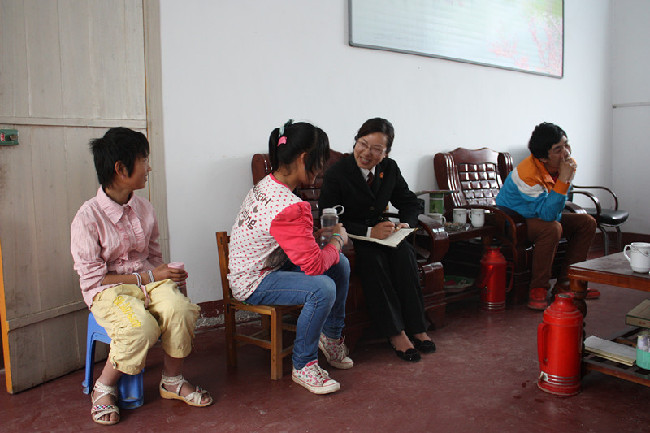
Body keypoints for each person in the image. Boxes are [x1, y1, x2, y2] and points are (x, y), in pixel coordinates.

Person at [71, 128, 212, 426]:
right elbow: (94, 280)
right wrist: (147, 278)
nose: (148, 167)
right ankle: (104, 387)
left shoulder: (144, 208)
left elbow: (155, 258)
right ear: (121, 169)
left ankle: (172, 380)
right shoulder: (87, 218)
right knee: (140, 327)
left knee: (180, 309)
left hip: (148, 282)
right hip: (108, 290)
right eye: (143, 160)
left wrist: (169, 278)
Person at [228, 120, 352, 395]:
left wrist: (313, 237)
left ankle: (330, 337)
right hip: (253, 281)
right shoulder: (290, 205)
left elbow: (280, 236)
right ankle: (304, 364)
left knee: (340, 264)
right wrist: (337, 239)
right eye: (320, 161)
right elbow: (314, 265)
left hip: (268, 266)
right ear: (304, 158)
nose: (321, 169)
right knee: (322, 287)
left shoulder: (269, 183)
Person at [319, 118, 435, 363]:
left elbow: (409, 202)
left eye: (376, 149)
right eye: (363, 144)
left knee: (405, 253)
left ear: (385, 153)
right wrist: (370, 231)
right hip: (353, 239)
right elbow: (328, 216)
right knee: (374, 260)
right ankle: (396, 333)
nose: (366, 153)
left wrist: (406, 224)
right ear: (356, 142)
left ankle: (417, 327)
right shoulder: (337, 173)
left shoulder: (389, 168)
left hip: (384, 235)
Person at [495, 122, 597, 310]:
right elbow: (549, 215)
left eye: (566, 145)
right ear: (543, 157)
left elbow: (552, 209)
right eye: (558, 149)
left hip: (538, 214)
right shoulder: (527, 174)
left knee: (587, 223)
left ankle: (568, 283)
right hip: (513, 220)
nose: (566, 153)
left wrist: (564, 178)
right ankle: (538, 288)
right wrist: (564, 179)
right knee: (551, 228)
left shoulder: (561, 166)